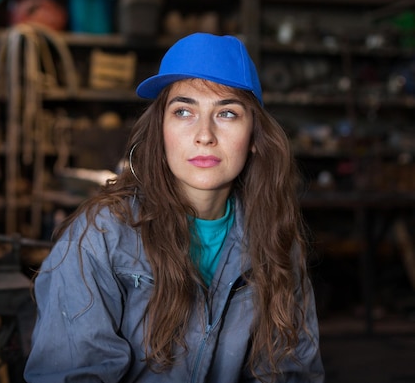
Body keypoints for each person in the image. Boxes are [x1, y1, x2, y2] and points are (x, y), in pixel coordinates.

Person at [23, 33, 325, 382]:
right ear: (160, 129)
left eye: (227, 113)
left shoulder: (276, 241)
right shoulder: (100, 237)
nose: (204, 135)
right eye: (184, 111)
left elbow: (293, 370)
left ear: (255, 137)